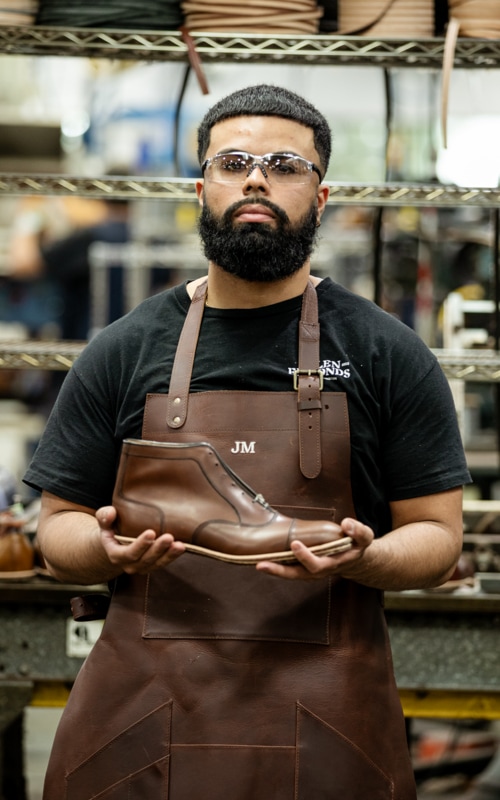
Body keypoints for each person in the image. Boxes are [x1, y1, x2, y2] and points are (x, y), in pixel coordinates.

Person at [24, 84, 471, 800]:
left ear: (320, 198)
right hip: (143, 722)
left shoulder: (387, 352)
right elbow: (58, 530)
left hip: (328, 721)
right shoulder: (124, 348)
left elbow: (438, 538)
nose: (257, 177)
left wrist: (366, 557)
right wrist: (101, 550)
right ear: (202, 189)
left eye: (285, 165)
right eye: (233, 162)